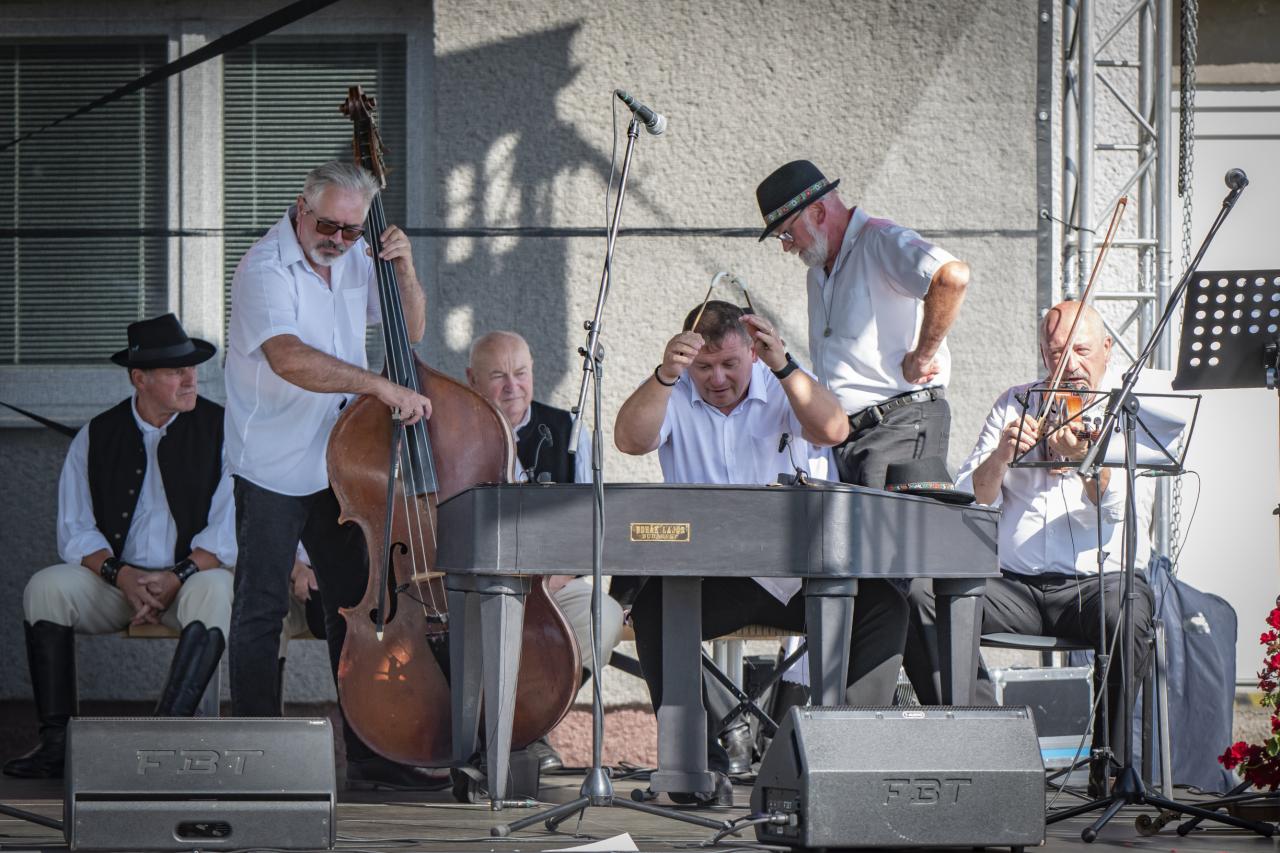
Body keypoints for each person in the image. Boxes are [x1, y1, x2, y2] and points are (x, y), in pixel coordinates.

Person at [614, 300, 908, 803]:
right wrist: (665, 375)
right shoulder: (673, 389)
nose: (717, 378)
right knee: (655, 609)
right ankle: (695, 769)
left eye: (730, 363)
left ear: (752, 352)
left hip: (795, 574)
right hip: (712, 578)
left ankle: (848, 753)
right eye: (704, 367)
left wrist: (784, 365)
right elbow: (629, 440)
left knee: (885, 605)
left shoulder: (782, 382)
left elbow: (834, 430)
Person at [224, 160, 442, 791]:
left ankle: (372, 755)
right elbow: (289, 357)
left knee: (357, 608)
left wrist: (403, 268)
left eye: (352, 230)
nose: (339, 241)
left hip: (339, 462)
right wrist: (378, 386)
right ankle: (259, 764)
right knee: (262, 610)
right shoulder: (264, 268)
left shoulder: (355, 255)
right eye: (328, 227)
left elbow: (411, 328)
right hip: (271, 463)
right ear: (301, 207)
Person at [902, 300, 1155, 764]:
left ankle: (1111, 764)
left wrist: (1083, 460)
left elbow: (1117, 509)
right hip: (1014, 586)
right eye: (1057, 353)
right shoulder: (1015, 402)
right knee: (920, 593)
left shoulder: (1127, 411)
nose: (1070, 365)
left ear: (1106, 349)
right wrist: (1002, 456)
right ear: (1043, 354)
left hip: (1095, 586)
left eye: (1081, 350)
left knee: (1130, 609)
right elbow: (970, 499)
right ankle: (984, 742)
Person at [3, 314, 234, 779]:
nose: (191, 379)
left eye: (192, 368)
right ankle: (57, 745)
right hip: (116, 585)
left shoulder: (224, 429)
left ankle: (162, 741)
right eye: (176, 371)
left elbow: (228, 530)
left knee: (218, 590)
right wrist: (122, 576)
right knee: (47, 587)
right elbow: (76, 532)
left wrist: (176, 578)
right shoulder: (97, 434)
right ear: (139, 379)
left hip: (189, 583)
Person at [754, 159, 971, 489]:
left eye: (786, 233)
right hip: (850, 438)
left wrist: (922, 357)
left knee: (890, 524)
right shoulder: (818, 272)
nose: (786, 246)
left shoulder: (881, 240)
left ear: (818, 212)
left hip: (898, 425)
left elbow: (952, 276)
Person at [466, 330, 625, 771]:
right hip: (472, 589)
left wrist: (552, 581)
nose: (512, 387)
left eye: (520, 373)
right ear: (472, 379)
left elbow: (590, 524)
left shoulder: (568, 431)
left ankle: (529, 726)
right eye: (498, 376)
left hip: (554, 583)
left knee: (603, 617)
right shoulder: (453, 430)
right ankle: (482, 731)